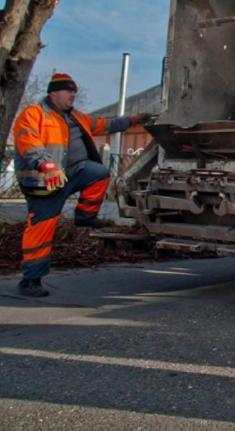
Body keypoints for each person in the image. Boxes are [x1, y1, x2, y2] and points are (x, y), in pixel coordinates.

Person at [13, 73, 152, 297]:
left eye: (74, 91)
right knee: (41, 228)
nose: (73, 95)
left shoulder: (76, 117)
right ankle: (31, 279)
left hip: (72, 173)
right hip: (44, 181)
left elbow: (106, 125)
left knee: (99, 173)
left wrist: (136, 120)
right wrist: (46, 165)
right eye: (68, 91)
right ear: (53, 93)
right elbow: (28, 141)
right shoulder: (34, 114)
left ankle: (85, 216)